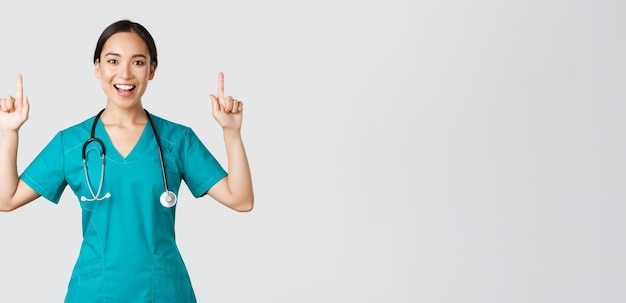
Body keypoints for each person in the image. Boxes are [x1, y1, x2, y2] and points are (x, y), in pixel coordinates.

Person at [0, 19, 253, 302]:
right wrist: (9, 132)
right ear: (97, 67)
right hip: (95, 293)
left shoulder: (177, 140)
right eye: (113, 61)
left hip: (164, 293)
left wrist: (231, 133)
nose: (125, 74)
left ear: (152, 70)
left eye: (138, 62)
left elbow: (241, 199)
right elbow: (6, 199)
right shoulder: (71, 143)